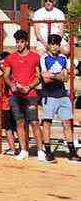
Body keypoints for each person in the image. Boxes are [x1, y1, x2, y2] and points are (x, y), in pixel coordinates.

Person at [2, 30, 50, 163]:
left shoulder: (35, 57)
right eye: (17, 42)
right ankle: (23, 150)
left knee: (34, 122)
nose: (19, 44)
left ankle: (40, 150)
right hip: (15, 94)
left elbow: (39, 76)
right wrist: (11, 85)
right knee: (19, 122)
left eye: (21, 42)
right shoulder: (10, 57)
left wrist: (29, 86)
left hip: (30, 94)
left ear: (26, 42)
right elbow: (6, 75)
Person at [40, 34, 79, 163]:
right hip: (49, 94)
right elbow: (45, 78)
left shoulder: (63, 58)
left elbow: (66, 77)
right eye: (52, 44)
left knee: (67, 122)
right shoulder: (44, 58)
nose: (55, 46)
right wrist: (59, 76)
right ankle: (48, 151)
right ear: (49, 45)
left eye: (57, 44)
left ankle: (72, 152)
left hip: (62, 94)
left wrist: (53, 76)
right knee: (47, 123)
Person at [0, 52, 19, 155]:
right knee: (7, 126)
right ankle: (12, 148)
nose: (2, 66)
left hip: (16, 102)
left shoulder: (14, 72)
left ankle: (23, 147)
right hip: (5, 102)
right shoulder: (0, 74)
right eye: (0, 64)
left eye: (3, 63)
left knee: (19, 125)